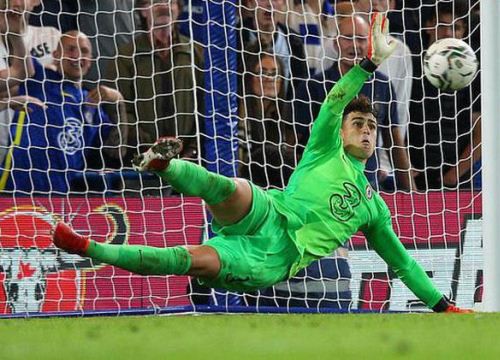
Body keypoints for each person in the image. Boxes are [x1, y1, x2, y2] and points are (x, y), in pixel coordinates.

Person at [52, 14, 470, 313]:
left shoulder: (373, 207)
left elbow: (402, 262)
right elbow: (336, 100)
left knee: (188, 259)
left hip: (273, 258)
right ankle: (164, 165)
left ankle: (89, 247)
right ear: (341, 132)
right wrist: (369, 64)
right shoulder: (324, 148)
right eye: (357, 124)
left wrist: (442, 306)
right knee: (234, 187)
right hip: (271, 209)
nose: (365, 130)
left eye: (371, 127)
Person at [294, 14, 414, 191]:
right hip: (324, 188)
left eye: (360, 39)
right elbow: (294, 143)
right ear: (336, 43)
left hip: (368, 187)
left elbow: (395, 142)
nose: (354, 45)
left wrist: (413, 192)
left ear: (369, 45)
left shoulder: (382, 85)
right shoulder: (313, 86)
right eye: (348, 38)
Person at [0, 31, 128, 193]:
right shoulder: (38, 77)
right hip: (18, 183)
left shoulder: (92, 104)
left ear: (91, 61)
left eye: (84, 51)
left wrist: (119, 101)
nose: (77, 55)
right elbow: (15, 54)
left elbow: (116, 150)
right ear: (55, 55)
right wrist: (14, 25)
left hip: (60, 194)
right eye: (71, 49)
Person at [104, 0, 203, 162]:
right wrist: (152, 150)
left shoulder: (197, 53)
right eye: (156, 1)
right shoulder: (125, 57)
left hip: (190, 163)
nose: (163, 5)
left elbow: (205, 107)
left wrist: (192, 150)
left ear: (178, 9)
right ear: (143, 10)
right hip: (142, 164)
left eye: (170, 1)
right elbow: (120, 111)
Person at [407, 2, 480, 190]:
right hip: (413, 174)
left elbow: (482, 130)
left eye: (455, 27)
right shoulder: (410, 64)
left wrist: (454, 175)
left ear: (464, 32)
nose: (448, 33)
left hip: (457, 178)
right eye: (442, 26)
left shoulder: (473, 71)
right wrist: (404, 167)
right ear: (429, 26)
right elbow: (396, 121)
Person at [238, 48, 294, 188]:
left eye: (274, 74)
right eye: (262, 72)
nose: (269, 78)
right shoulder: (236, 112)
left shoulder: (287, 115)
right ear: (250, 78)